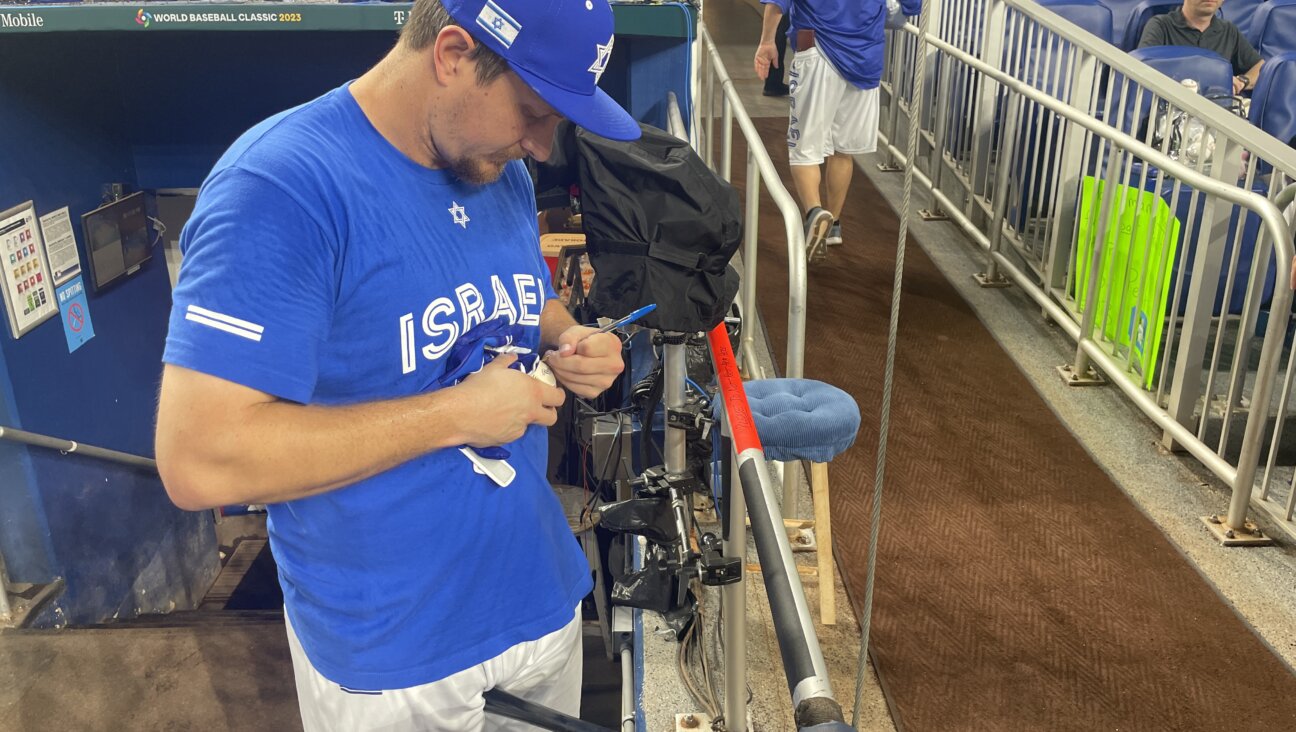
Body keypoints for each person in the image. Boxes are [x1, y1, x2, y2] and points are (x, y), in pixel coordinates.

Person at [153, 0, 638, 729]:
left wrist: (568, 340)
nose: (543, 146)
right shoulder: (281, 188)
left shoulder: (487, 163)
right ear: (450, 55)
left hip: (537, 600)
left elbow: (516, 293)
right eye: (533, 111)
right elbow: (200, 461)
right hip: (395, 657)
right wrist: (455, 417)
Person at [754, 0, 920, 260]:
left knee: (805, 149)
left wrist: (766, 42)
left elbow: (777, 2)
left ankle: (814, 213)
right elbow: (911, 6)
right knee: (843, 150)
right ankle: (834, 226)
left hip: (817, 49)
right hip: (866, 57)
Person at [1138, 0, 1264, 95]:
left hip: (1215, 117)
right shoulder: (1160, 26)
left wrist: (1242, 81)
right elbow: (1142, 70)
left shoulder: (1229, 31)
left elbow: (1260, 67)